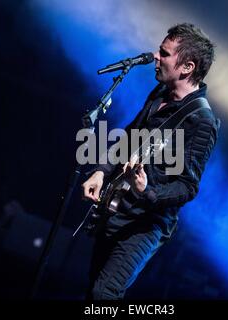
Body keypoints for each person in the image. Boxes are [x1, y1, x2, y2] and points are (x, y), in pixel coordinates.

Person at [81, 23, 220, 300]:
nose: (155, 57)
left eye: (164, 53)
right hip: (117, 207)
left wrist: (147, 190)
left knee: (104, 294)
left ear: (187, 67)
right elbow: (130, 137)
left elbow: (187, 187)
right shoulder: (159, 95)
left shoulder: (201, 121)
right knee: (93, 289)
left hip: (147, 224)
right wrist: (100, 171)